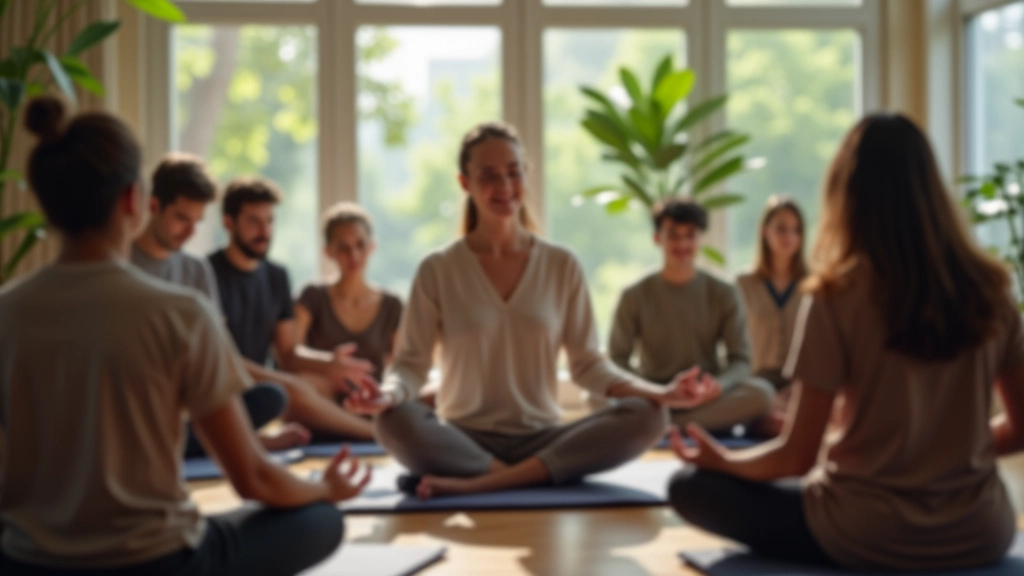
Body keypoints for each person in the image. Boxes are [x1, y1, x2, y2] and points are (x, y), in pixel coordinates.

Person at [0, 96, 370, 576]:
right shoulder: (180, 313)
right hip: (159, 561)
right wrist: (325, 489)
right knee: (320, 521)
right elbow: (254, 478)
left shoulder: (7, 311)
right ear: (134, 200)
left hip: (29, 564)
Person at [668, 114, 1024, 572]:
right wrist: (946, 453)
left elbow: (797, 456)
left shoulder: (834, 296)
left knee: (689, 484)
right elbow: (1021, 427)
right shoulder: (993, 289)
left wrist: (726, 463)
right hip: (977, 532)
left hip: (863, 531)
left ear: (847, 193)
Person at [345, 122, 721, 500]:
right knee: (393, 420)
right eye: (488, 175)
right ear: (465, 183)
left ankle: (482, 482)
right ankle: (522, 476)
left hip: (543, 437)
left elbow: (588, 365)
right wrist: (386, 395)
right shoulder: (438, 269)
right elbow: (411, 365)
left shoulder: (562, 264)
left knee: (650, 414)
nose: (505, 186)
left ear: (527, 175)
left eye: (514, 172)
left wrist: (662, 392)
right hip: (462, 437)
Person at [132, 153, 308, 455]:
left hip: (189, 402)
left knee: (272, 397)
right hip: (139, 404)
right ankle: (242, 443)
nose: (189, 232)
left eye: (197, 222)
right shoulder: (121, 264)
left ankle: (215, 441)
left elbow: (216, 352)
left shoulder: (196, 270)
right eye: (181, 218)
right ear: (153, 206)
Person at [208, 178, 376, 440]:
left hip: (256, 392)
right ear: (228, 222)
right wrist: (284, 381)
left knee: (303, 387)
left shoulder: (277, 276)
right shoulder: (206, 273)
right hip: (217, 390)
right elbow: (217, 359)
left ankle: (259, 440)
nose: (264, 231)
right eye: (253, 221)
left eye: (269, 221)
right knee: (290, 390)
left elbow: (287, 353)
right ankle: (375, 436)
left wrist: (330, 363)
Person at [609, 198, 774, 435]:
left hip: (705, 396)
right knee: (597, 395)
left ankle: (667, 426)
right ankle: (681, 423)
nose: (682, 243)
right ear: (657, 238)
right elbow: (617, 360)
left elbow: (741, 360)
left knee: (762, 393)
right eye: (673, 235)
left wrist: (718, 386)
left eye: (690, 235)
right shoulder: (634, 295)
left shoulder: (723, 292)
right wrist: (656, 392)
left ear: (700, 239)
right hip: (655, 396)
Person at [295, 202, 403, 386]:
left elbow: (401, 366)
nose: (353, 255)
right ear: (328, 251)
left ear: (372, 246)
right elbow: (290, 355)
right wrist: (328, 363)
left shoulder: (392, 305)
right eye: (343, 247)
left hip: (371, 399)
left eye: (360, 244)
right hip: (321, 396)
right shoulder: (312, 295)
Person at [735, 196, 808, 436]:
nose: (789, 236)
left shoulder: (814, 284)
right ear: (765, 231)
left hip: (801, 384)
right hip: (757, 385)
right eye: (781, 228)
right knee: (764, 416)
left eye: (796, 230)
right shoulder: (743, 284)